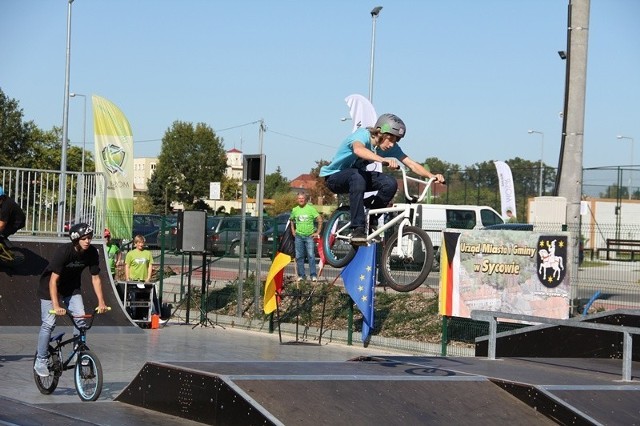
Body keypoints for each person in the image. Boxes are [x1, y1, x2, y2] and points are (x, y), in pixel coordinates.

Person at [319, 113, 445, 244]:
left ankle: (371, 220)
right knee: (356, 175)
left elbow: (411, 164)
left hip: (358, 179)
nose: (391, 145)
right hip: (334, 178)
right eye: (390, 139)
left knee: (390, 183)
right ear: (380, 132)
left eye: (395, 141)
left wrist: (432, 176)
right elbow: (358, 150)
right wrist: (382, 160)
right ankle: (358, 229)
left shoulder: (391, 148)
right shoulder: (363, 135)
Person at [34, 223, 108, 377]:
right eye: (84, 238)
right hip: (50, 288)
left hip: (71, 288)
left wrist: (101, 302)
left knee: (80, 319)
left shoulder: (92, 252)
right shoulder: (64, 252)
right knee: (49, 323)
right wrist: (56, 305)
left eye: (90, 238)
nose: (88, 241)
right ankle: (40, 360)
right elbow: (53, 280)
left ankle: (78, 352)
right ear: (76, 239)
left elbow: (95, 278)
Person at [290, 193, 322, 282]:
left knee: (311, 256)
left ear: (305, 199)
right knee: (299, 256)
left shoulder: (311, 209)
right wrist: (293, 230)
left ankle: (313, 275)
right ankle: (301, 275)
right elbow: (291, 220)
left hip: (309, 236)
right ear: (297, 200)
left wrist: (318, 232)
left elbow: (320, 219)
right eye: (299, 198)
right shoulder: (295, 210)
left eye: (302, 198)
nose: (301, 200)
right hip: (299, 236)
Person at [0, 185, 26, 255]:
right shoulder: (2, 201)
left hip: (16, 222)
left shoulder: (6, 207)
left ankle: (8, 248)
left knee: (1, 233)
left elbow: (1, 225)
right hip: (8, 219)